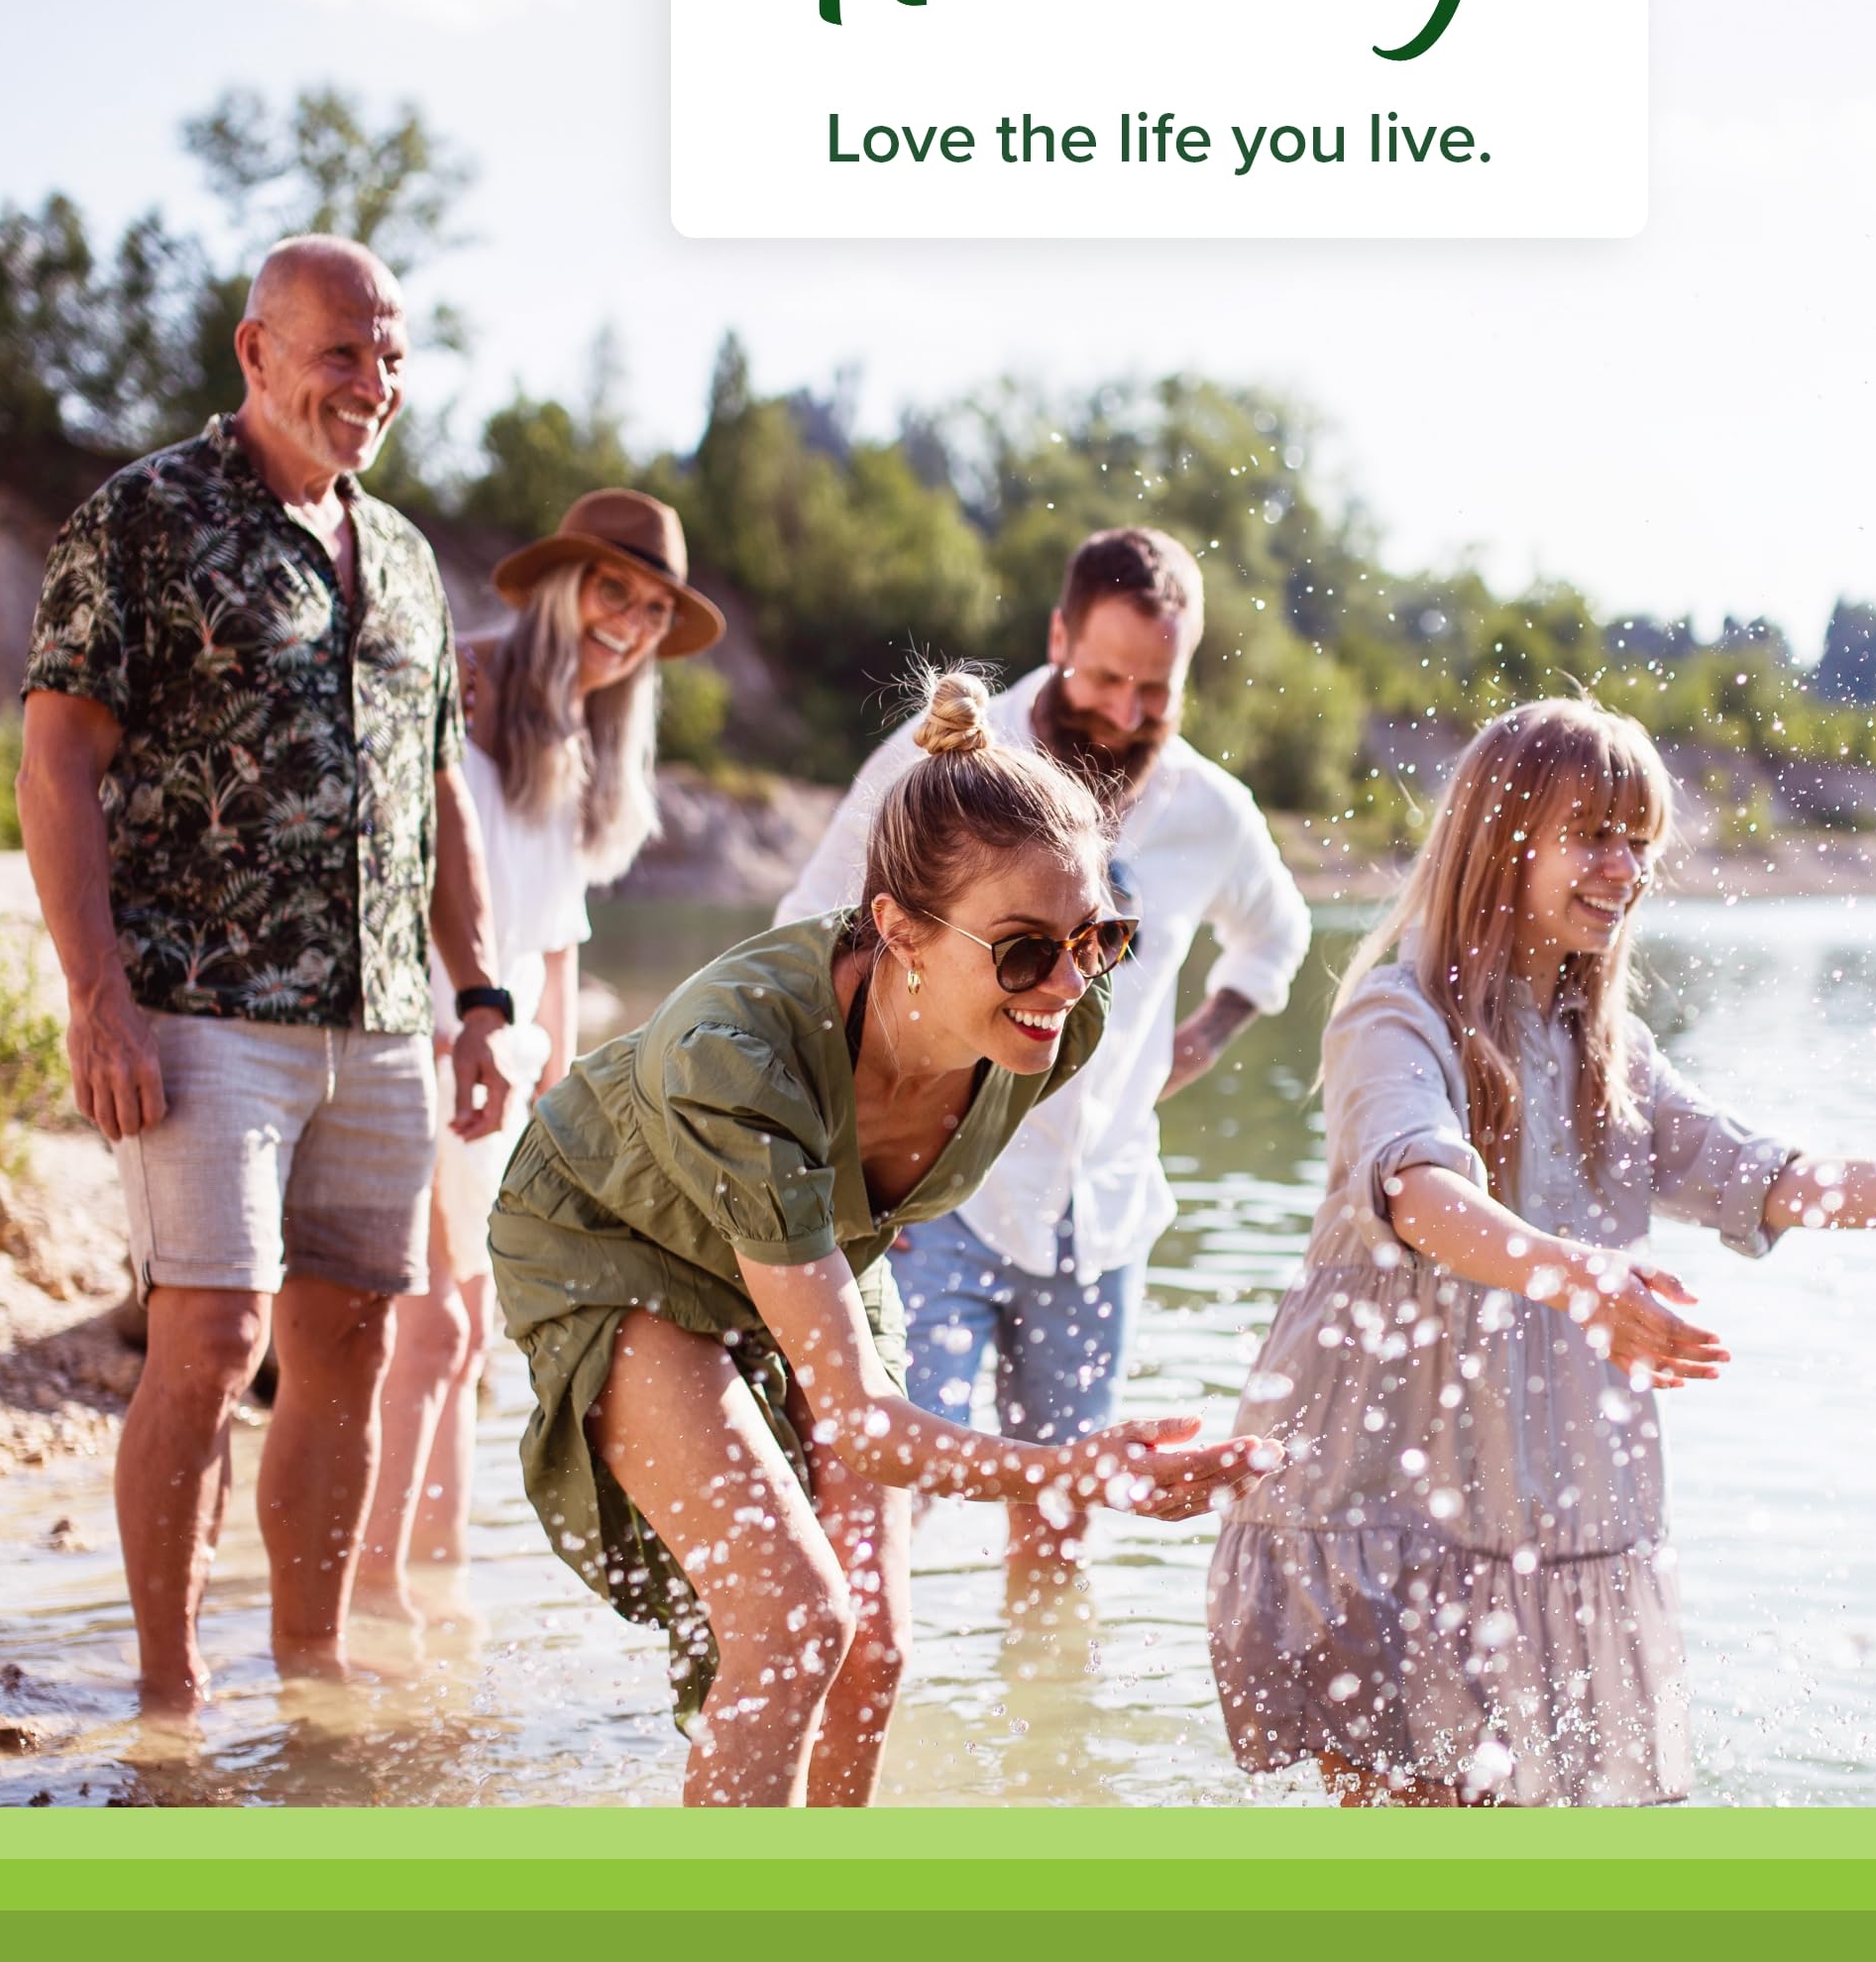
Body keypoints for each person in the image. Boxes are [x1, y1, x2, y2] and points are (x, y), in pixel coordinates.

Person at [1207, 698, 1876, 1807]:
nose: (1624, 868)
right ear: (1497, 838)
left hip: (1536, 1504)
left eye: (1640, 842)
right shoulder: (1393, 1014)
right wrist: (1581, 1273)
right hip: (1382, 1498)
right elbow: (1420, 1194)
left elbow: (1780, 1180)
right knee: (1410, 1836)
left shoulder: (1601, 1047)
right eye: (1592, 835)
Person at [488, 667, 1279, 1806]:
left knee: (874, 1648)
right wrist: (1077, 1473)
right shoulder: (737, 1054)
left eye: (1093, 937)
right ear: (900, 928)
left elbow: (881, 1243)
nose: (1062, 982)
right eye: (1021, 950)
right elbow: (861, 1421)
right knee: (794, 1615)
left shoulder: (1065, 1020)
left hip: (811, 1229)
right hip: (618, 1231)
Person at [15, 235, 516, 1717]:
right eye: (341, 350)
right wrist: (95, 993)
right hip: (198, 1001)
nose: (372, 382)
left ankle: (309, 1672)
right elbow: (55, 757)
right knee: (212, 1337)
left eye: (395, 356)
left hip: (376, 1021)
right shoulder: (145, 518)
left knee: (349, 1342)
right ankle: (168, 1698)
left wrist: (478, 996)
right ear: (256, 352)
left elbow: (438, 794)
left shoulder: (412, 560)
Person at [777, 527, 1310, 1603]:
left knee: (1064, 1519)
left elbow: (1277, 938)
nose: (1121, 710)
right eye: (1103, 675)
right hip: (933, 1204)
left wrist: (1189, 1046)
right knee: (883, 1499)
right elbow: (809, 935)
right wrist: (862, 1149)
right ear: (1058, 633)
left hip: (1100, 1217)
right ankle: (844, 1724)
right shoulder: (943, 762)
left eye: (1153, 690)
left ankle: (1035, 1749)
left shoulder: (1210, 811)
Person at [352, 490, 720, 1635]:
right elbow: (408, 888)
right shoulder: (455, 691)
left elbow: (554, 944)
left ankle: (437, 1586)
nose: (631, 622)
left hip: (505, 1070)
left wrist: (565, 1113)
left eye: (655, 608)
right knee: (433, 1330)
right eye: (615, 590)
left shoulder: (572, 731)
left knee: (465, 1346)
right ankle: (369, 1596)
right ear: (563, 584)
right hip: (420, 1036)